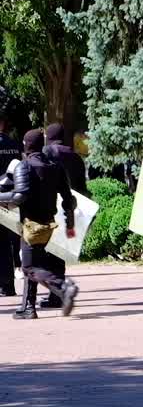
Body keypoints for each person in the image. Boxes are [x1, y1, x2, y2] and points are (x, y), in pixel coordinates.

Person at [0, 129, 79, 319]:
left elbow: (20, 196)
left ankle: (62, 287)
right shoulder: (54, 166)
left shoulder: (24, 166)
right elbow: (69, 199)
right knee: (33, 262)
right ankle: (28, 307)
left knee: (28, 267)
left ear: (26, 146)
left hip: (30, 225)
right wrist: (70, 223)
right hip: (48, 224)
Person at [39, 123, 89, 310]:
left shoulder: (47, 152)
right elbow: (83, 188)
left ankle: (56, 291)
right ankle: (56, 296)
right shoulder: (76, 157)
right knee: (58, 252)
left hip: (51, 207)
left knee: (40, 254)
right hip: (71, 209)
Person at [0, 115, 21, 298]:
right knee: (9, 241)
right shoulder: (14, 144)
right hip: (12, 197)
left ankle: (4, 285)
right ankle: (8, 286)